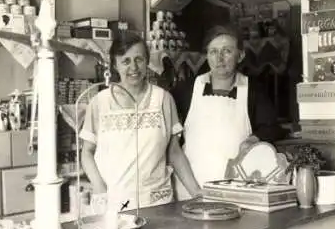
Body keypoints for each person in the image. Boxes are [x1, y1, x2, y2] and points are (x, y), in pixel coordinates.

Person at [79, 32, 201, 211]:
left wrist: (196, 192)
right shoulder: (99, 102)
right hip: (113, 202)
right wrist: (99, 188)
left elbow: (174, 151)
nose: (133, 67)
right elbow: (87, 153)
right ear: (114, 64)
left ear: (147, 61)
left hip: (156, 202)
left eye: (139, 59)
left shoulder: (163, 99)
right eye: (125, 61)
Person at [174, 24, 289, 201]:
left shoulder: (253, 91)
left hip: (237, 188)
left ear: (240, 55)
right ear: (207, 56)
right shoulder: (186, 90)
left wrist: (253, 139)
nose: (219, 58)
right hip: (190, 189)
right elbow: (172, 141)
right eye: (213, 52)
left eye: (227, 51)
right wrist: (193, 189)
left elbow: (273, 128)